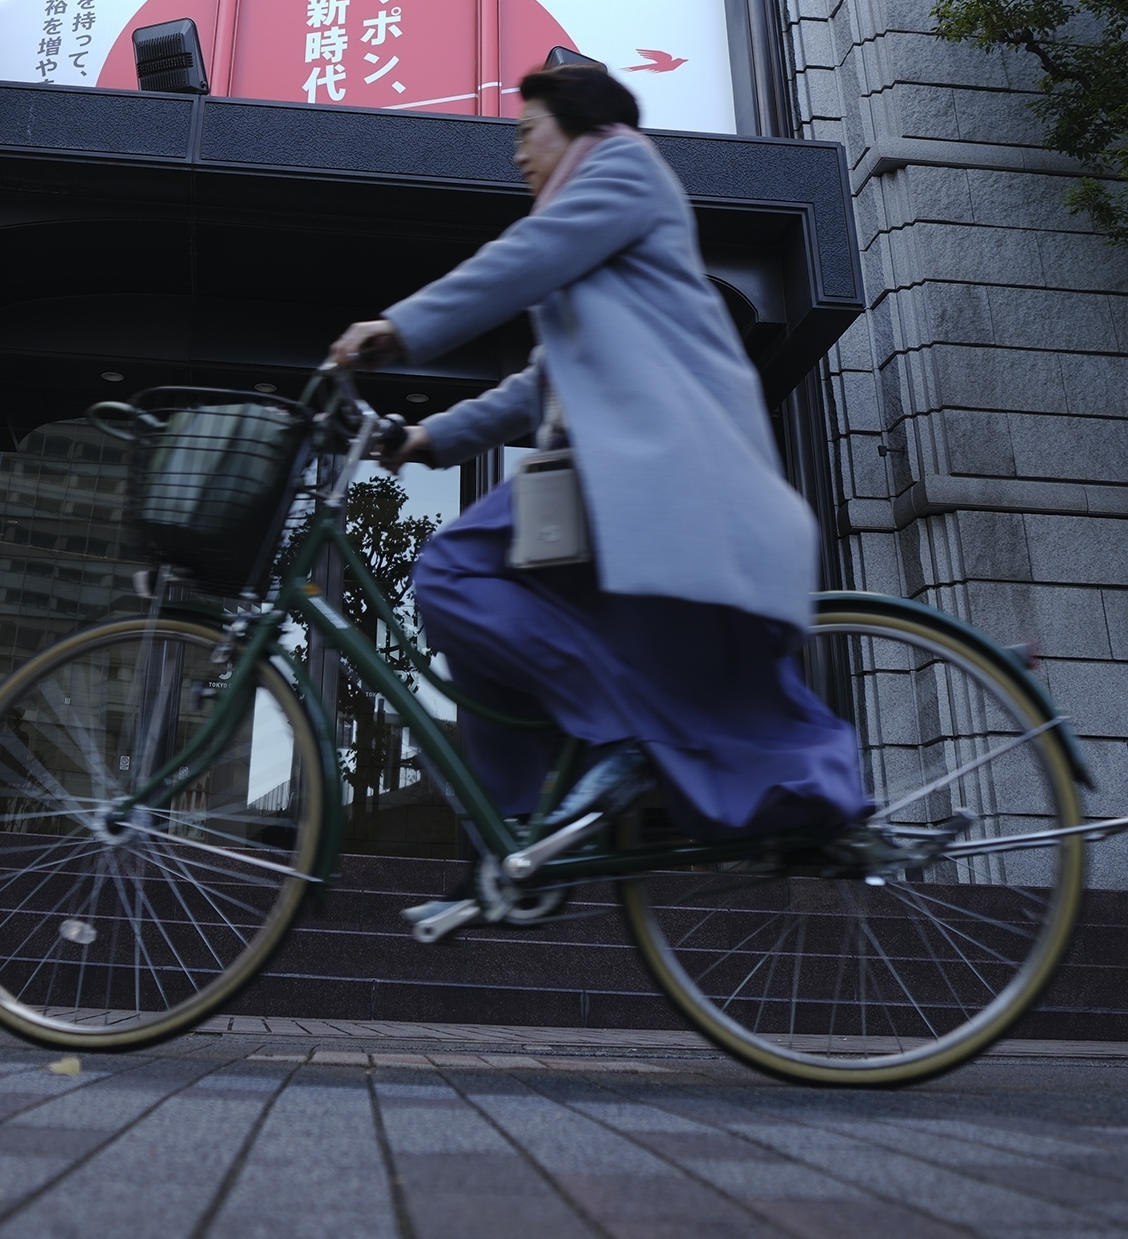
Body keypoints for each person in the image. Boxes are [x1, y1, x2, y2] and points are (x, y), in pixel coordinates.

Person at [328, 61, 869, 851]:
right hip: (611, 481)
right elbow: (538, 386)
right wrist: (426, 439)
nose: (518, 153)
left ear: (577, 122)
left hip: (644, 472)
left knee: (452, 575)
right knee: (478, 598)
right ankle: (523, 822)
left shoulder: (622, 166)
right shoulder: (599, 238)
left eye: (526, 132)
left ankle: (612, 742)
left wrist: (398, 327)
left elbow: (520, 260)